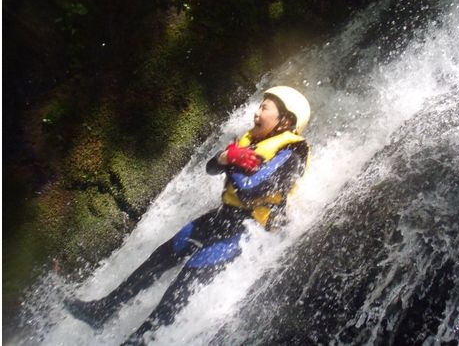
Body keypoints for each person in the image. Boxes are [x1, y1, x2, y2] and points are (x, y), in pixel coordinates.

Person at [65, 86, 311, 345]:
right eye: (259, 106)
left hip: (246, 231)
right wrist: (227, 156)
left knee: (182, 285)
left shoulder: (292, 154)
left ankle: (139, 342)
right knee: (160, 258)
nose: (257, 112)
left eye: (265, 108)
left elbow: (251, 191)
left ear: (285, 120)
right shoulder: (251, 140)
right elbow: (211, 167)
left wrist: (232, 163)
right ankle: (103, 310)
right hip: (222, 216)